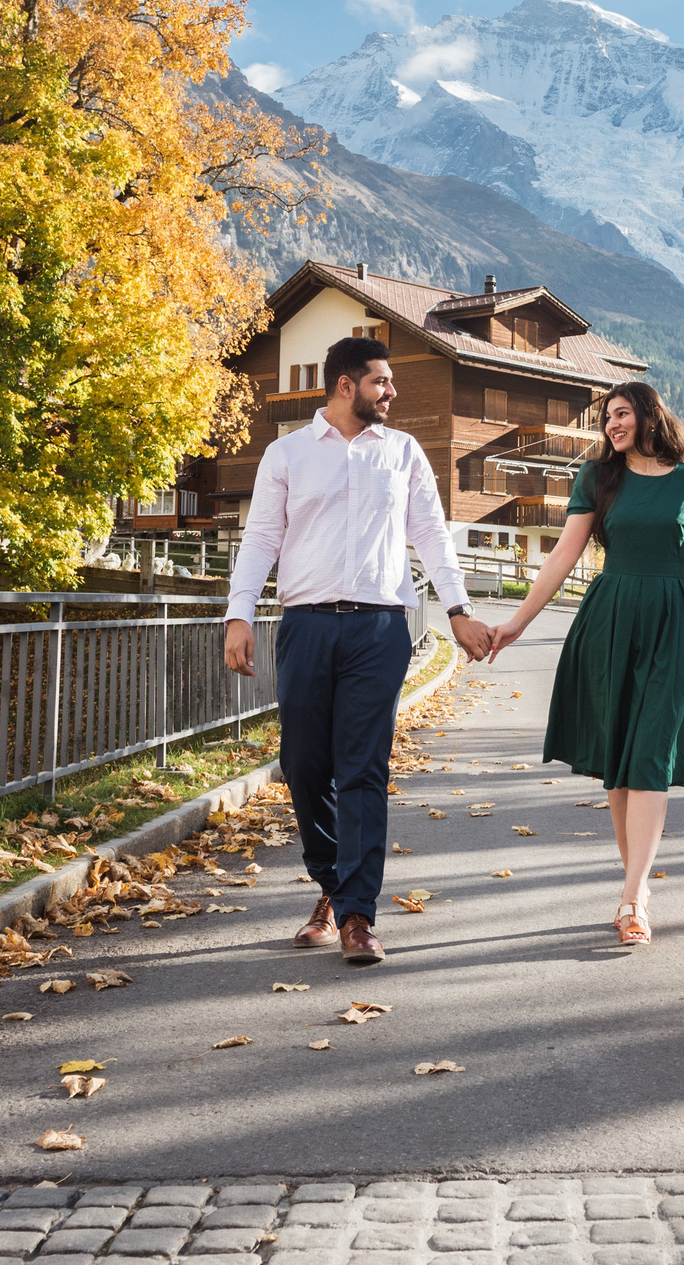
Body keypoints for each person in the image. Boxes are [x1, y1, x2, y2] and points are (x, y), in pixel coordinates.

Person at [224, 334, 494, 964]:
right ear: (346, 385)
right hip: (307, 626)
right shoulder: (286, 454)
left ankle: (357, 917)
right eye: (381, 381)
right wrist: (239, 615)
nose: (391, 392)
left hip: (379, 629)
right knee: (305, 764)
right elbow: (261, 536)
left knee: (364, 769)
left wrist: (456, 608)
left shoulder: (403, 454)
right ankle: (334, 884)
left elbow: (431, 532)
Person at [489, 380, 684, 945]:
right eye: (607, 419)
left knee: (649, 755)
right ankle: (636, 889)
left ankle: (631, 899)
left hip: (673, 625)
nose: (611, 426)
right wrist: (516, 624)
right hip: (610, 621)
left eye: (621, 414)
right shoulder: (598, 477)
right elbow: (564, 554)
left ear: (649, 417)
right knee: (619, 763)